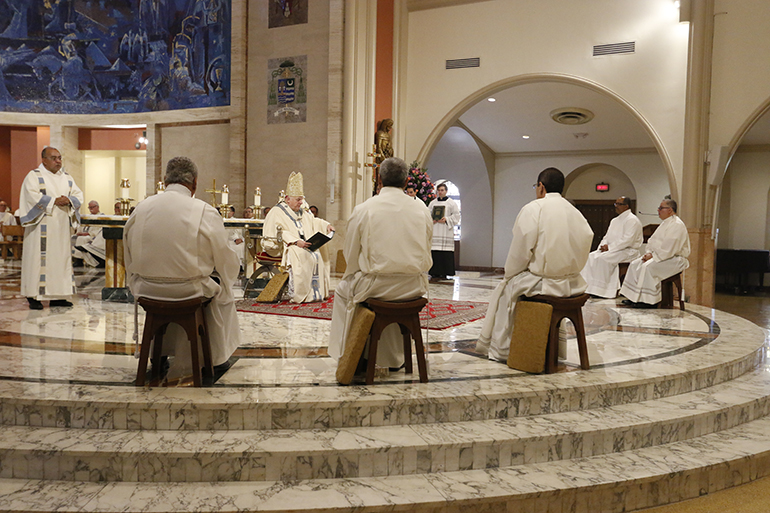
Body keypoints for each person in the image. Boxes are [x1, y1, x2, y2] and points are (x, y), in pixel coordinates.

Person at [123, 156, 241, 374]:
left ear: (165, 180)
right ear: (194, 183)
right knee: (219, 287)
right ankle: (215, 358)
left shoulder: (141, 208)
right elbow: (224, 258)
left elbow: (128, 251)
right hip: (190, 291)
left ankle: (157, 355)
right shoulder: (204, 211)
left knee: (201, 280)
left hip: (146, 289)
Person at [476, 167, 594, 361]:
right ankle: (553, 348)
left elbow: (520, 251)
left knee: (505, 289)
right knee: (511, 285)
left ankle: (503, 350)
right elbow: (586, 241)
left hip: (544, 282)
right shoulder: (575, 212)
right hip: (572, 283)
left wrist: (510, 275)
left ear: (541, 187)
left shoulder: (534, 208)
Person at [328, 157, 433, 369]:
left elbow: (350, 254)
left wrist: (358, 273)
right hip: (414, 286)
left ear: (379, 180)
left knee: (342, 292)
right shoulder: (421, 209)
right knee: (390, 302)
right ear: (406, 183)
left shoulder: (365, 209)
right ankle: (394, 359)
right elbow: (427, 248)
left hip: (376, 286)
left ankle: (351, 356)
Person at [19, 146, 84, 310]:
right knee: (38, 261)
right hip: (40, 226)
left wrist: (69, 200)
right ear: (44, 160)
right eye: (54, 158)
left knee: (60, 261)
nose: (58, 161)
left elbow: (78, 195)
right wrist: (53, 201)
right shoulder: (34, 176)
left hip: (61, 228)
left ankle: (58, 296)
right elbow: (31, 196)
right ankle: (33, 295)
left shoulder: (67, 178)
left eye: (59, 158)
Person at [262, 172, 335, 303]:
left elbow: (314, 221)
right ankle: (300, 293)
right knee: (300, 253)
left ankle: (316, 293)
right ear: (287, 199)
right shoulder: (276, 212)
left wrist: (326, 225)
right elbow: (278, 232)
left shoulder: (302, 211)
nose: (301, 202)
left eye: (302, 199)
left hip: (304, 244)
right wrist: (295, 241)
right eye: (298, 199)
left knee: (318, 254)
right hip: (283, 246)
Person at [620, 199, 690, 307]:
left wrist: (652, 256)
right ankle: (633, 297)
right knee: (634, 264)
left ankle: (648, 302)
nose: (658, 210)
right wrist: (649, 253)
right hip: (662, 256)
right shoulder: (665, 223)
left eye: (661, 208)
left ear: (670, 210)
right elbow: (652, 241)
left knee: (648, 267)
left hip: (675, 259)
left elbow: (669, 248)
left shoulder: (677, 224)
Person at [580, 196, 643, 298]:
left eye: (619, 204)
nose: (616, 206)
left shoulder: (632, 220)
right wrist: (602, 246)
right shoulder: (614, 220)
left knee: (603, 259)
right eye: (615, 204)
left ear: (626, 206)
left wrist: (610, 248)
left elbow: (628, 240)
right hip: (613, 249)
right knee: (590, 257)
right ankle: (589, 288)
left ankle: (603, 291)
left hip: (628, 251)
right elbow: (607, 236)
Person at [427, 182, 460, 281]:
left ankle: (444, 273)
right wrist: (431, 219)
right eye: (439, 190)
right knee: (435, 252)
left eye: (442, 190)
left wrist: (446, 219)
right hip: (436, 229)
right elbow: (427, 214)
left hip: (445, 230)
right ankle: (434, 272)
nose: (440, 192)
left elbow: (456, 216)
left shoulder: (451, 203)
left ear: (446, 191)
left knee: (445, 253)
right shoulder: (433, 203)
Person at [72, 200, 106, 268]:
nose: (91, 209)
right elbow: (81, 226)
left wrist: (88, 233)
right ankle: (77, 259)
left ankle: (80, 260)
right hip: (84, 234)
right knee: (73, 237)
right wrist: (79, 232)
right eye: (89, 207)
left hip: (93, 236)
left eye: (92, 207)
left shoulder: (102, 217)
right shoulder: (88, 216)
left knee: (83, 239)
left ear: (97, 207)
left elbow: (100, 229)